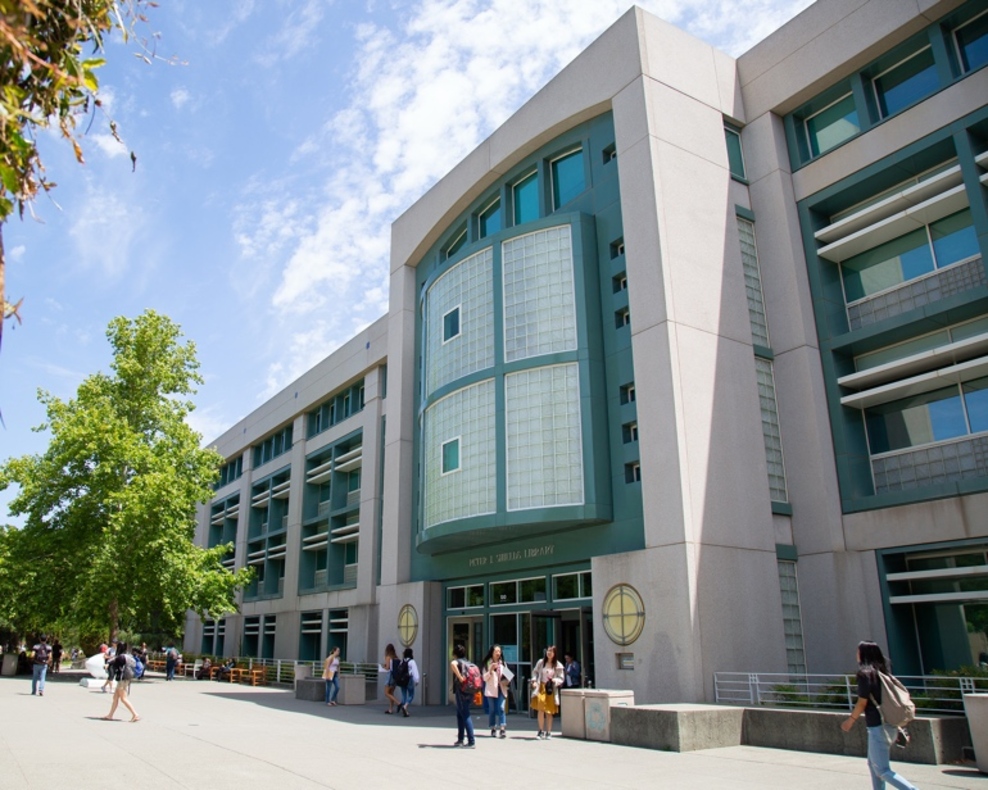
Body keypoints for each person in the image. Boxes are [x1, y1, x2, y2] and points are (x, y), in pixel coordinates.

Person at [840, 640, 918, 790]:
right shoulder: (881, 674)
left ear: (864, 654)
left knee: (882, 770)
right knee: (873, 766)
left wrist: (850, 720)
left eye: (858, 651)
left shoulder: (865, 674)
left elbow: (862, 703)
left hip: (878, 727)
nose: (856, 654)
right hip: (888, 725)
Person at [530, 645, 564, 739]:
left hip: (550, 689)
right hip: (541, 687)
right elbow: (535, 672)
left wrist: (555, 680)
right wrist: (534, 681)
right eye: (548, 651)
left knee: (549, 711)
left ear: (554, 653)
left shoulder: (557, 665)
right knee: (540, 709)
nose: (549, 653)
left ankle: (549, 732)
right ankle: (540, 731)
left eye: (551, 651)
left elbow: (561, 678)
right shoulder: (541, 662)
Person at [101, 641, 140, 723]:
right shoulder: (128, 656)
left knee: (123, 698)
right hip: (126, 678)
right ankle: (110, 715)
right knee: (115, 697)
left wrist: (107, 664)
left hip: (122, 678)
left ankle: (135, 714)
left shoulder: (121, 657)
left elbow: (114, 662)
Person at [450, 643, 476, 748]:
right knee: (460, 714)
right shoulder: (468, 662)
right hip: (470, 690)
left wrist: (460, 677)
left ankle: (471, 740)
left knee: (465, 714)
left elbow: (452, 664)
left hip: (462, 691)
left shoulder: (458, 662)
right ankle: (460, 739)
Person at [482, 644, 509, 738]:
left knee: (501, 708)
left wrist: (507, 680)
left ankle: (502, 728)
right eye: (496, 651)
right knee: (492, 710)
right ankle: (493, 728)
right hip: (491, 690)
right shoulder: (488, 663)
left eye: (499, 651)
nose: (498, 653)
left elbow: (508, 676)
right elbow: (484, 678)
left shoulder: (503, 663)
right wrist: (490, 670)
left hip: (501, 689)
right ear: (492, 653)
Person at [398, 647, 420, 717]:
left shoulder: (402, 661)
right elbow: (415, 671)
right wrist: (417, 680)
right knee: (411, 694)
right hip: (409, 679)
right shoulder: (412, 661)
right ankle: (405, 706)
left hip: (402, 679)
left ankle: (403, 707)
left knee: (404, 694)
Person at [382, 643, 400, 714]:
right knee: (391, 693)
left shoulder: (388, 657)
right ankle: (390, 709)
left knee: (386, 693)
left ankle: (398, 703)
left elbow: (387, 668)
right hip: (395, 676)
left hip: (390, 676)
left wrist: (384, 667)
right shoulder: (396, 657)